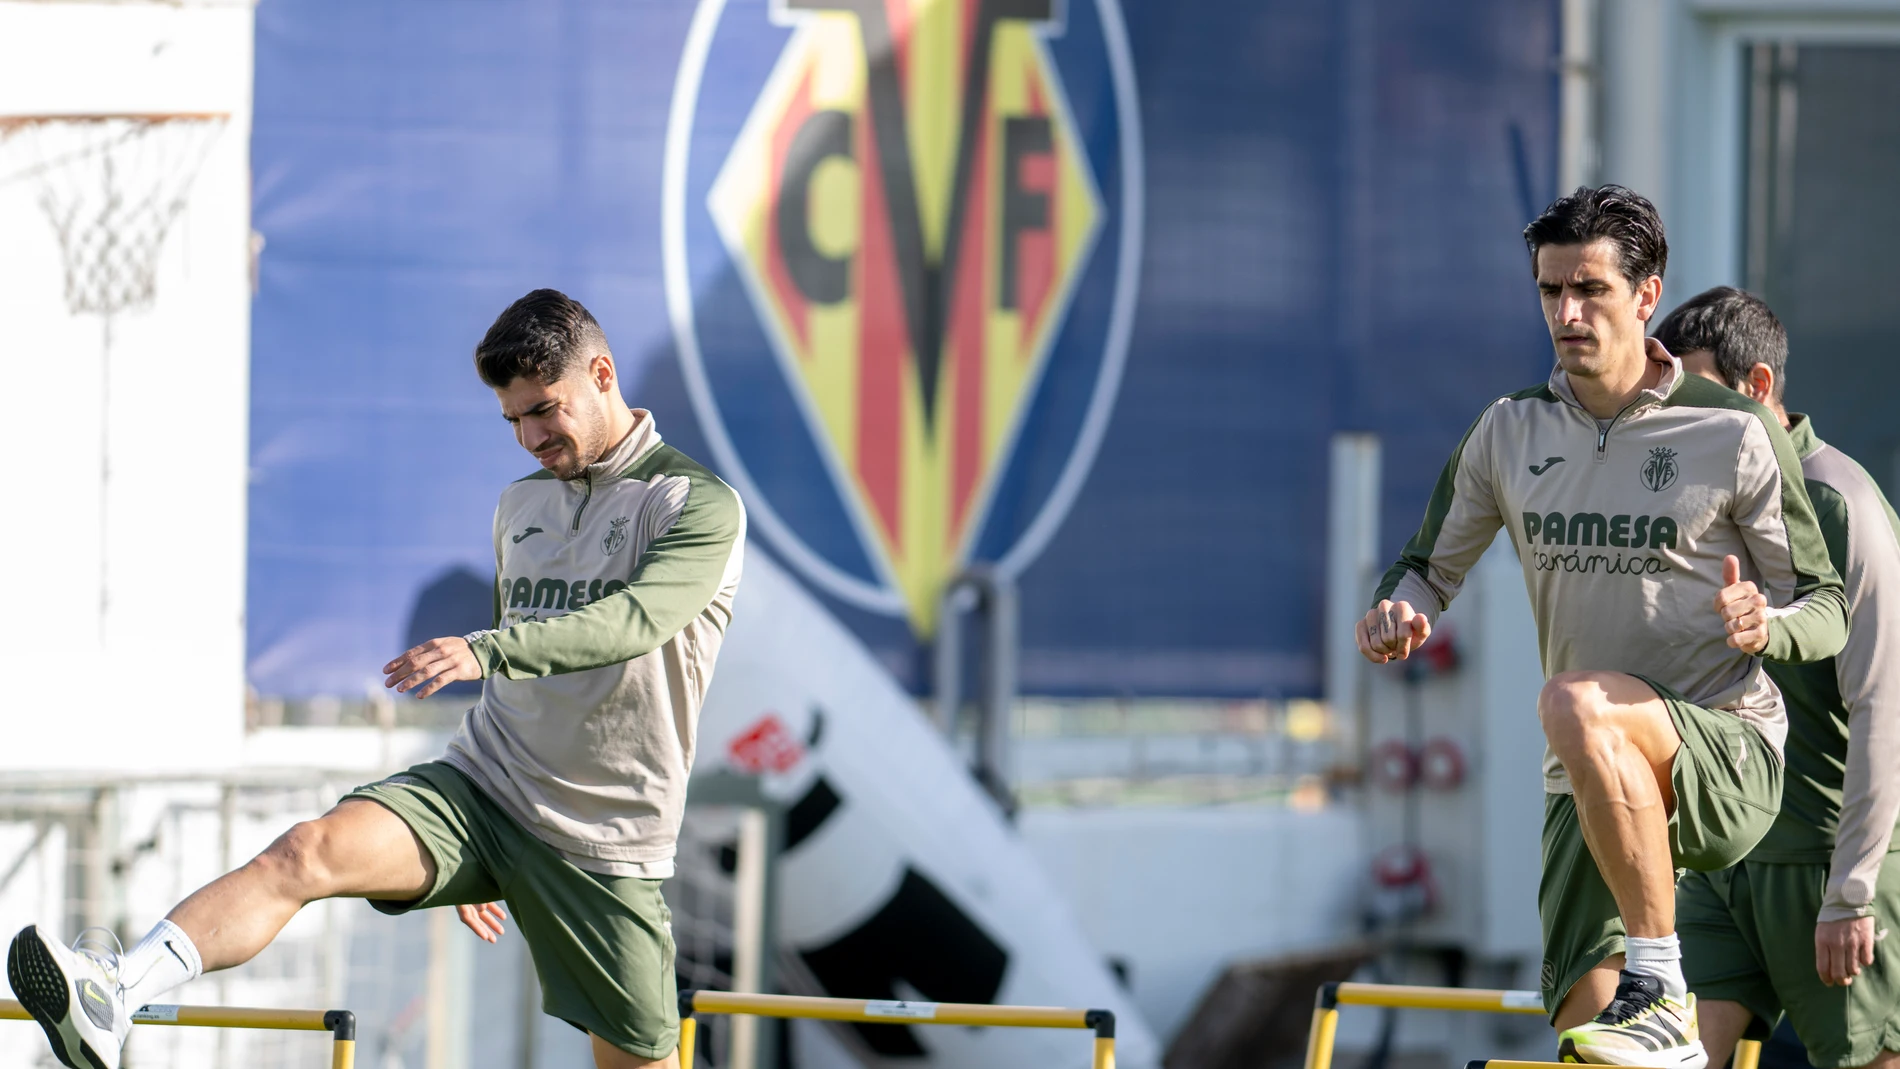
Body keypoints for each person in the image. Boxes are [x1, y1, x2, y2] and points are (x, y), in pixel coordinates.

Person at [6, 289, 746, 1069]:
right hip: (483, 792)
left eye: (544, 410)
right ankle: (114, 992)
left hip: (606, 838)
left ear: (602, 373)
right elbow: (525, 680)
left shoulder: (695, 503)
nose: (529, 436)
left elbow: (632, 624)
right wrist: (488, 857)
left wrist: (487, 648)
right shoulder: (520, 504)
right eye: (513, 420)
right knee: (304, 849)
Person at [1357, 187, 1847, 1067]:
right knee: (1593, 1044)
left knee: (1574, 700)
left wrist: (1765, 623)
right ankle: (1649, 1014)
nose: (1567, 313)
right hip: (1583, 774)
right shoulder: (1508, 430)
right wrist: (1405, 613)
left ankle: (1658, 982)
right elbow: (1428, 569)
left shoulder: (1732, 431)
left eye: (1590, 290)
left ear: (1647, 295)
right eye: (1550, 292)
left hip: (1725, 752)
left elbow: (1827, 609)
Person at [1661, 286, 1900, 1069]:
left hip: (1827, 860)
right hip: (1722, 856)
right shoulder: (1699, 498)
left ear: (1759, 387)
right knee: (1670, 1055)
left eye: (1695, 395)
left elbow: (1882, 705)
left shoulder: (1843, 502)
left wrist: (1852, 890)